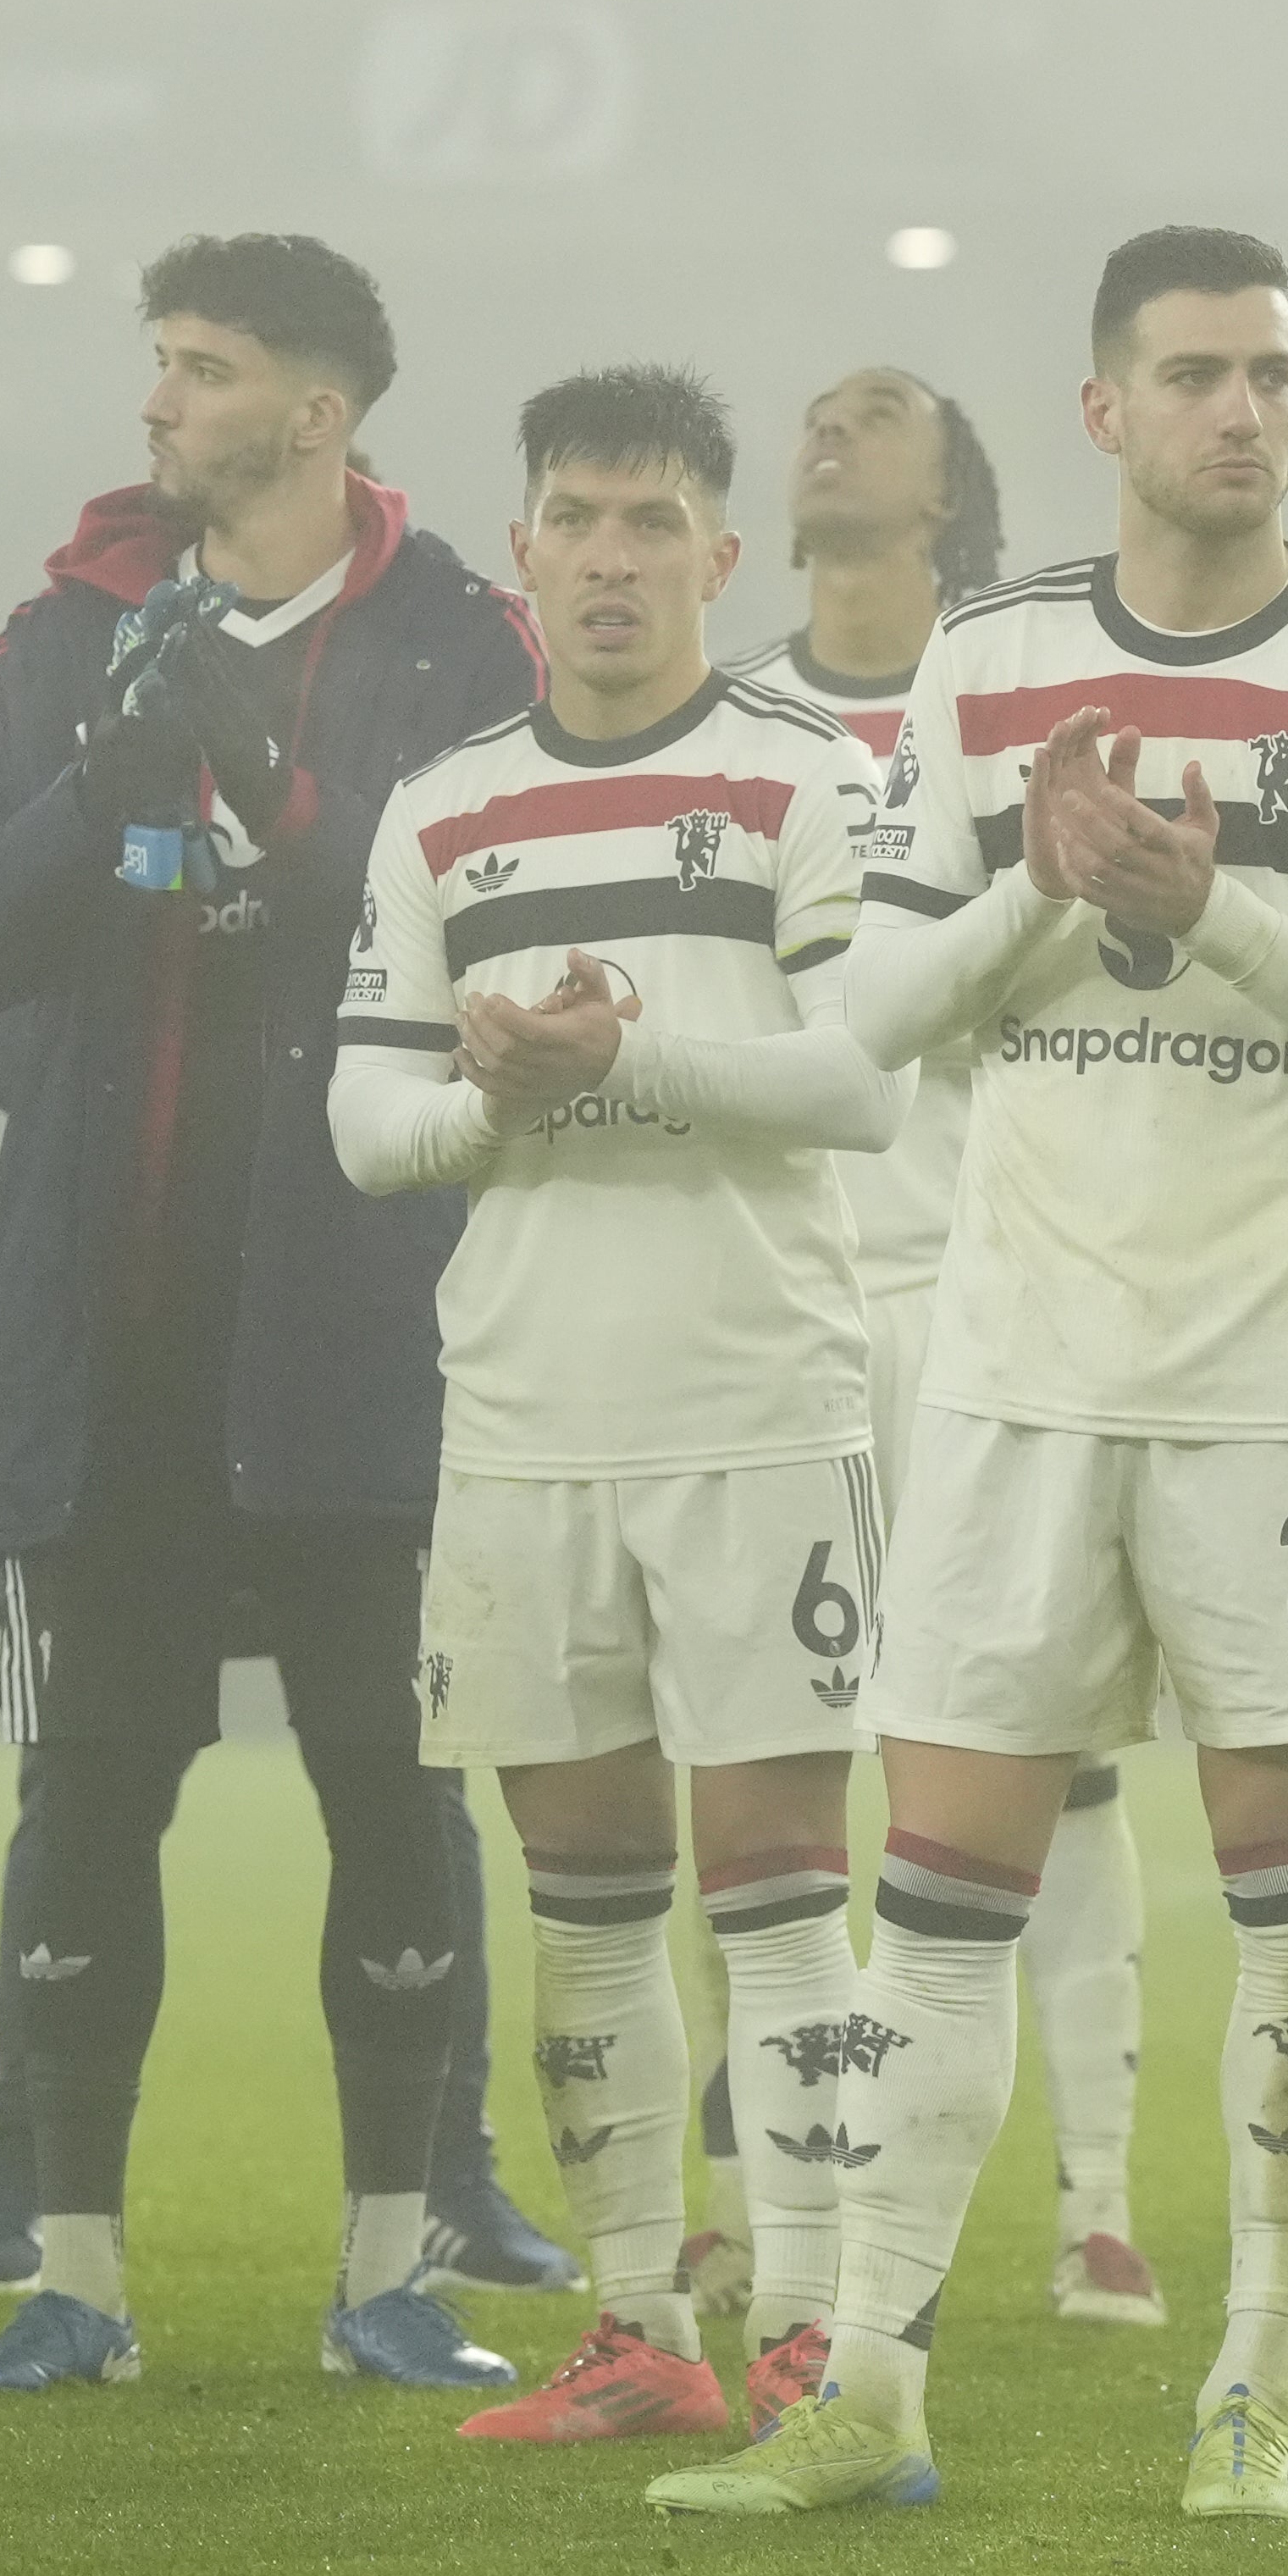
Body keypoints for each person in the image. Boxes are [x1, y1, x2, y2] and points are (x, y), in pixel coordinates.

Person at [657, 226, 1288, 2527]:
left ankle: (1254, 2389)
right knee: (933, 1886)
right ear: (1099, 411)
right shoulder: (991, 656)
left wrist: (1203, 896)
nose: (1239, 410)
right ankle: (867, 2389)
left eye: (1270, 374)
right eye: (1193, 373)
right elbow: (870, 1016)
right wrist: (1058, 887)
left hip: (1285, 1381)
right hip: (1020, 1363)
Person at [0, 234, 544, 2397]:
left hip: (367, 1327)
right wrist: (105, 779)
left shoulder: (463, 640)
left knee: (389, 1784)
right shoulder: (62, 628)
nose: (158, 402)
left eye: (203, 368)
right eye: (156, 361)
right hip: (117, 1331)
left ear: (318, 412)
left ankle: (391, 2269)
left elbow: (512, 923)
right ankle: (74, 2274)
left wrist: (273, 783)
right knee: (90, 1795)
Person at [332, 367, 899, 2446]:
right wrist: (487, 1086)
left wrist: (616, 1071)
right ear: (525, 550)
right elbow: (360, 1117)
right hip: (522, 1418)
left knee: (769, 1866)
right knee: (577, 1877)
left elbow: (866, 1077)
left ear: (717, 557)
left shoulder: (809, 773)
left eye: (652, 520)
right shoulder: (442, 806)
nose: (609, 554)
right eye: (574, 516)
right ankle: (643, 2326)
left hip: (755, 1398)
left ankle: (820, 2325)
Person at [729, 365, 1159, 2327]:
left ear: (949, 493)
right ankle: (776, 2207)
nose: (827, 428)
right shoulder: (721, 725)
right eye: (815, 410)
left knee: (1046, 1762)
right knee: (776, 1764)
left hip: (991, 1286)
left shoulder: (1007, 703)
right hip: (777, 1301)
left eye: (877, 410)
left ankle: (1096, 2203)